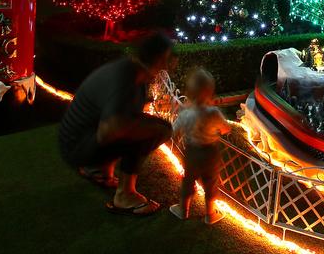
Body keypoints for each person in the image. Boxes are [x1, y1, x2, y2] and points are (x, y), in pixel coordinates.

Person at [58, 32, 174, 216]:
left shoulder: (130, 70)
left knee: (145, 126)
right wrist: (149, 129)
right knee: (159, 129)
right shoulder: (127, 77)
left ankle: (97, 169)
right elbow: (110, 130)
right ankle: (124, 195)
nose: (167, 65)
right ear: (158, 58)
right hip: (78, 147)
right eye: (166, 59)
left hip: (76, 142)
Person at [169, 68, 232, 224]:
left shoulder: (186, 114)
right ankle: (210, 214)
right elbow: (225, 128)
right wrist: (219, 131)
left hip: (192, 152)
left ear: (189, 92)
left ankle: (183, 210)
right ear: (210, 92)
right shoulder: (213, 113)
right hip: (211, 152)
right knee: (211, 182)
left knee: (188, 180)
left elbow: (174, 131)